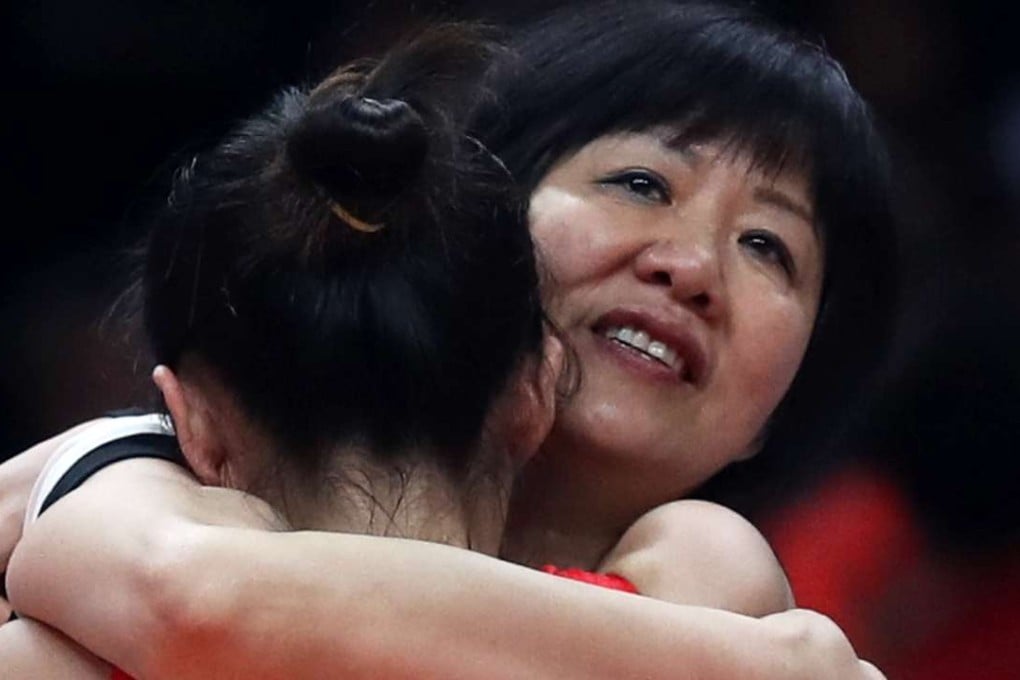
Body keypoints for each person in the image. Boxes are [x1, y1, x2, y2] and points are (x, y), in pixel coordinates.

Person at [2, 1, 893, 678]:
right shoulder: (135, 469)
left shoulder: (706, 559)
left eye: (768, 247)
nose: (691, 266)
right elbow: (188, 596)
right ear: (478, 203)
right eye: (639, 182)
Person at [1, 24, 563, 676]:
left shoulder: (44, 650)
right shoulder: (679, 605)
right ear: (537, 390)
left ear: (195, 427)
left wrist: (80, 463)